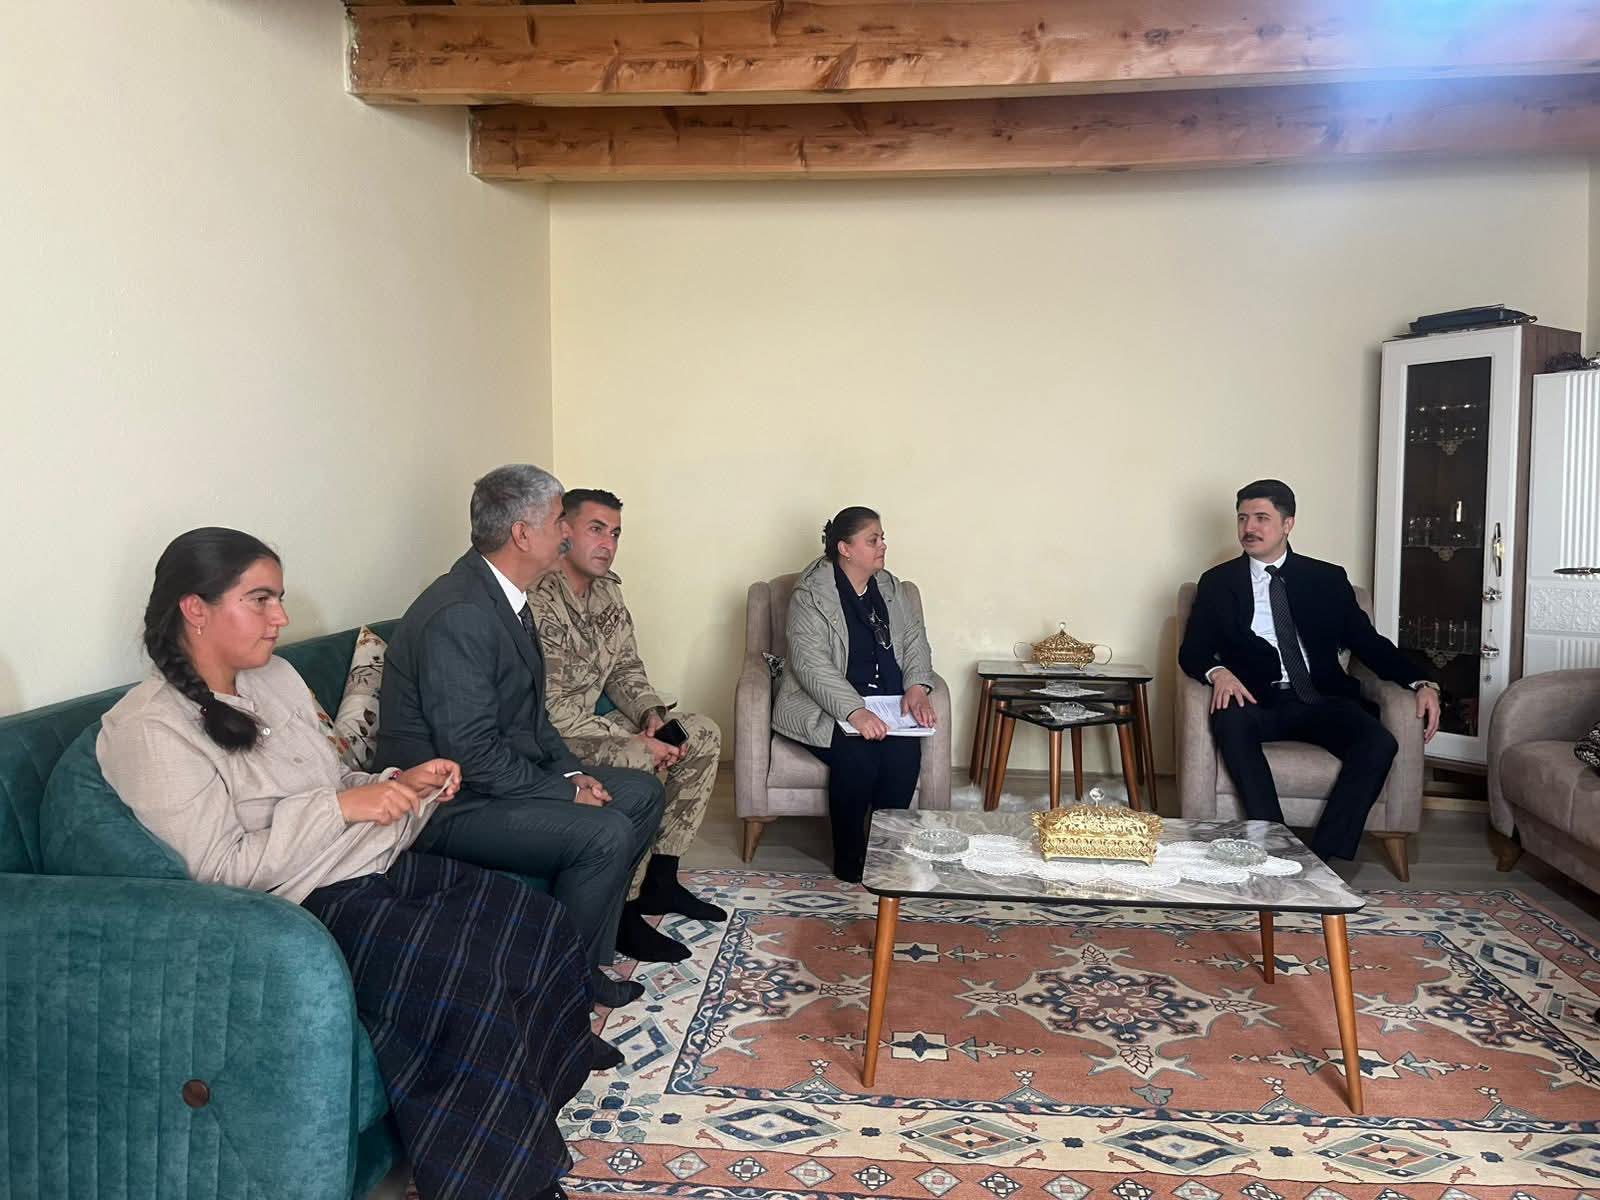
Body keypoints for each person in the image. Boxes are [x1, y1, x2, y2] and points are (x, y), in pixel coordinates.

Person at [97, 528, 593, 1200]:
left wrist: (400, 784)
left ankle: (526, 1116)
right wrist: (342, 807)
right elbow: (218, 873)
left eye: (278, 598)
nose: (281, 617)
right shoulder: (149, 729)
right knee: (465, 978)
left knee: (536, 923)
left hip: (373, 866)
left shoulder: (275, 678)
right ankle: (509, 1186)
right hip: (299, 913)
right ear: (195, 609)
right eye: (261, 599)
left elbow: (335, 782)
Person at [374, 465, 678, 987]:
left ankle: (583, 962)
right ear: (522, 533)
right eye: (560, 520)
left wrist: (572, 774)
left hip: (493, 779)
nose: (567, 533)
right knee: (604, 832)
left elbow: (534, 719)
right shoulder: (462, 612)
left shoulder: (508, 597)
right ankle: (558, 989)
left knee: (641, 793)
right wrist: (564, 793)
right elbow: (469, 753)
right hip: (445, 803)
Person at [1178, 479, 1441, 862]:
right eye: (1243, 518)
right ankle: (1273, 847)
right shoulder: (1219, 582)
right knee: (1230, 722)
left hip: (1319, 698)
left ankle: (1320, 858)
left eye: (1261, 518)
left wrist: (1421, 681)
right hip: (1254, 699)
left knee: (1378, 743)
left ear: (1288, 524)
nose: (1249, 527)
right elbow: (1193, 650)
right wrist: (1218, 672)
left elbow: (1369, 643)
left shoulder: (1327, 579)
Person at [530, 488, 725, 955]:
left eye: (615, 533)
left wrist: (650, 715)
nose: (608, 544)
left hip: (592, 722)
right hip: (551, 733)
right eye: (596, 529)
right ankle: (623, 908)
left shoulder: (608, 590)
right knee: (640, 756)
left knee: (701, 734)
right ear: (563, 530)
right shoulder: (535, 597)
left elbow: (624, 668)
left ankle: (662, 879)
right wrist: (634, 739)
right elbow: (552, 709)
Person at [772, 506, 938, 882]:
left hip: (887, 701)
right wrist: (854, 711)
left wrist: (916, 686)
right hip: (827, 704)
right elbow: (810, 663)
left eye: (882, 538)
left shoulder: (891, 587)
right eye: (873, 540)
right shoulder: (811, 594)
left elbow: (915, 638)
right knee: (858, 757)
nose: (883, 546)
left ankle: (885, 854)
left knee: (903, 756)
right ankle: (849, 860)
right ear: (845, 549)